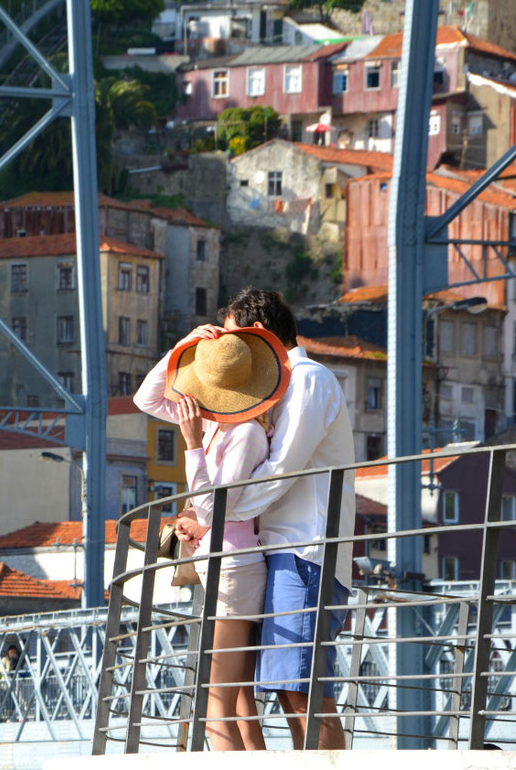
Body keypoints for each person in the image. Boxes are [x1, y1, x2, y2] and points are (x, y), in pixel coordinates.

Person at [173, 287, 356, 750]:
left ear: (262, 336)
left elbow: (280, 471)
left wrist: (219, 512)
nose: (229, 353)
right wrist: (194, 343)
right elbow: (158, 398)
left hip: (305, 548)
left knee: (301, 689)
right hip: (281, 550)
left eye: (235, 342)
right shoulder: (279, 388)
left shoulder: (308, 379)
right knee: (288, 687)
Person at [135, 325, 291, 751]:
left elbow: (211, 508)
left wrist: (190, 444)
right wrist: (181, 343)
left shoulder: (244, 433)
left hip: (235, 568)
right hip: (225, 562)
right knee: (239, 700)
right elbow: (146, 398)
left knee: (215, 702)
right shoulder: (217, 424)